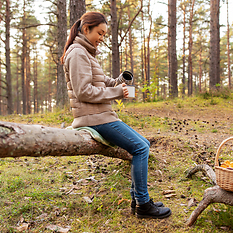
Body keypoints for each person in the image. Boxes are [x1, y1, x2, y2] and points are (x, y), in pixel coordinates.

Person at [60, 11, 171, 219]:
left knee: (143, 144)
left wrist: (122, 80)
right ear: (86, 29)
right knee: (140, 147)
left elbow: (105, 83)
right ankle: (143, 205)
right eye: (100, 33)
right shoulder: (77, 53)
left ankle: (138, 199)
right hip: (93, 118)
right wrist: (118, 92)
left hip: (102, 115)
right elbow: (83, 91)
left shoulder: (87, 53)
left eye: (104, 35)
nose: (102, 38)